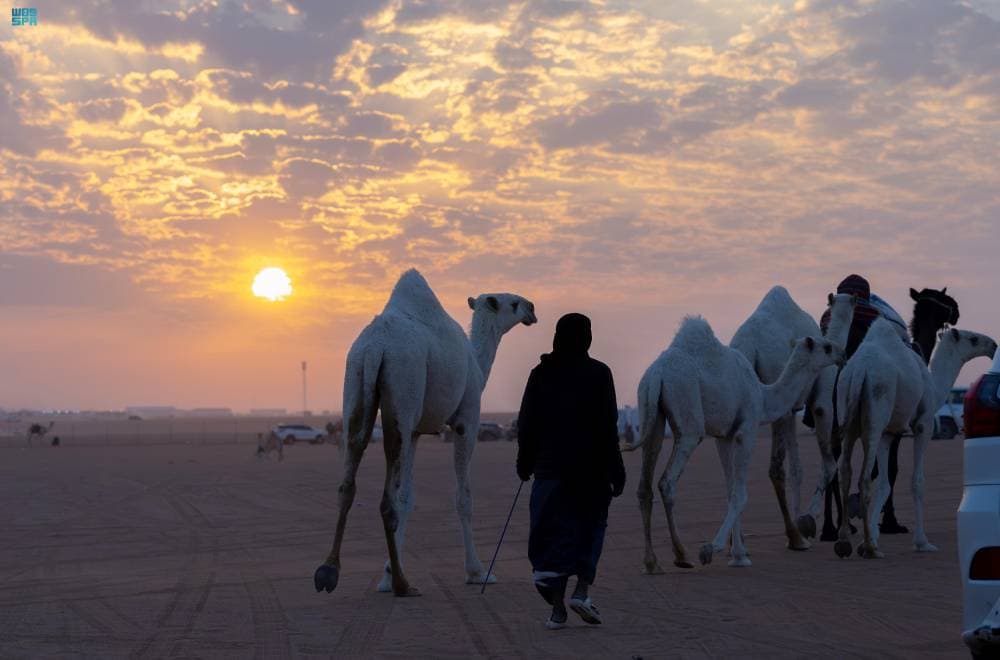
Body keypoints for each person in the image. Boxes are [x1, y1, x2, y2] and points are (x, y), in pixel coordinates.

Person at [516, 313, 626, 630]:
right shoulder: (600, 373)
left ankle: (557, 611)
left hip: (550, 473)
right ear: (587, 338)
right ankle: (581, 592)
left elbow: (527, 424)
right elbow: (608, 427)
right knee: (589, 530)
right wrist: (616, 469)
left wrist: (525, 462)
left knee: (553, 537)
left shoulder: (541, 374)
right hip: (592, 473)